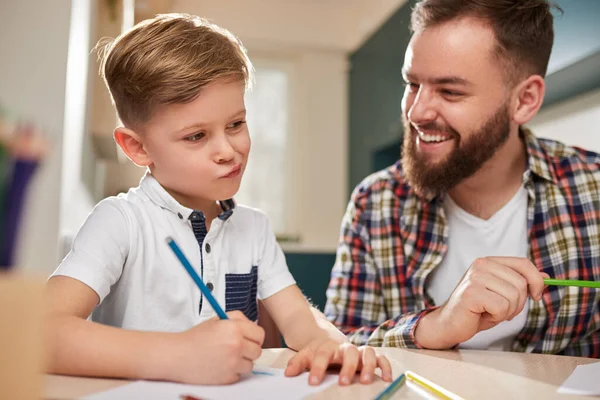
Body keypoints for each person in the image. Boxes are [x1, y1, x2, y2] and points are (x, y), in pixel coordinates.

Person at [46, 14, 393, 385]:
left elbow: (299, 320)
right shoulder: (121, 221)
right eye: (197, 136)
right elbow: (38, 334)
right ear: (137, 147)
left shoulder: (254, 228)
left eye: (236, 124)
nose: (229, 151)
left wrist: (332, 345)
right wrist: (179, 355)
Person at [325, 0, 600, 357]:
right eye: (412, 84)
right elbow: (334, 346)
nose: (417, 112)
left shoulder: (592, 190)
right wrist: (432, 326)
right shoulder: (375, 203)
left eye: (450, 91)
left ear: (525, 100)